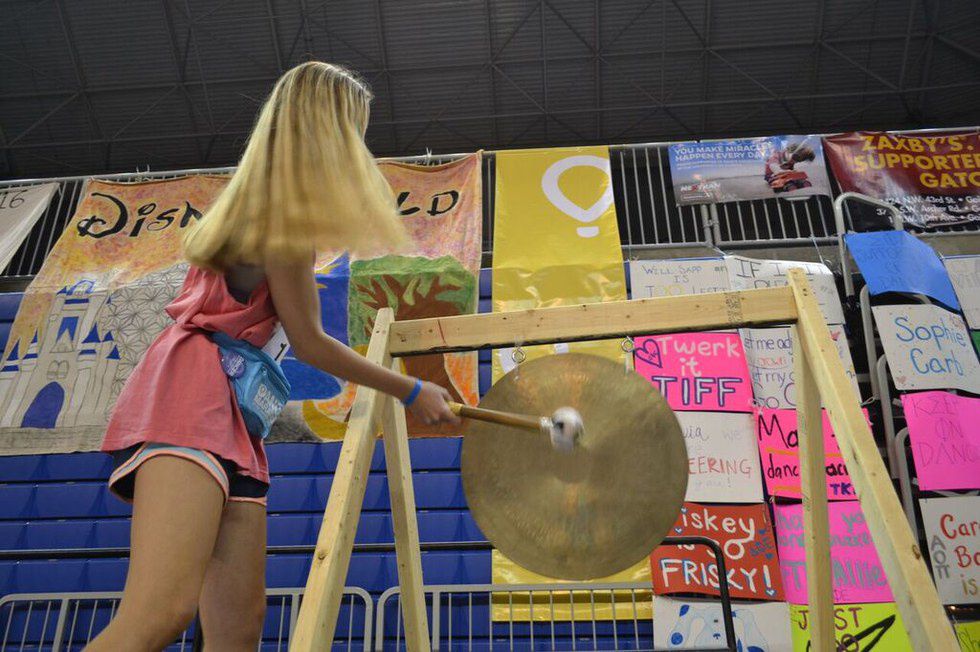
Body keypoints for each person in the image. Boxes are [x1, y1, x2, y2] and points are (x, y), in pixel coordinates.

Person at [87, 61, 459, 651]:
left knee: (239, 630)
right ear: (330, 134)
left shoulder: (275, 215)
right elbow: (310, 341)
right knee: (160, 614)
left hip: (232, 418)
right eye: (354, 132)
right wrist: (411, 388)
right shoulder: (276, 217)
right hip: (190, 403)